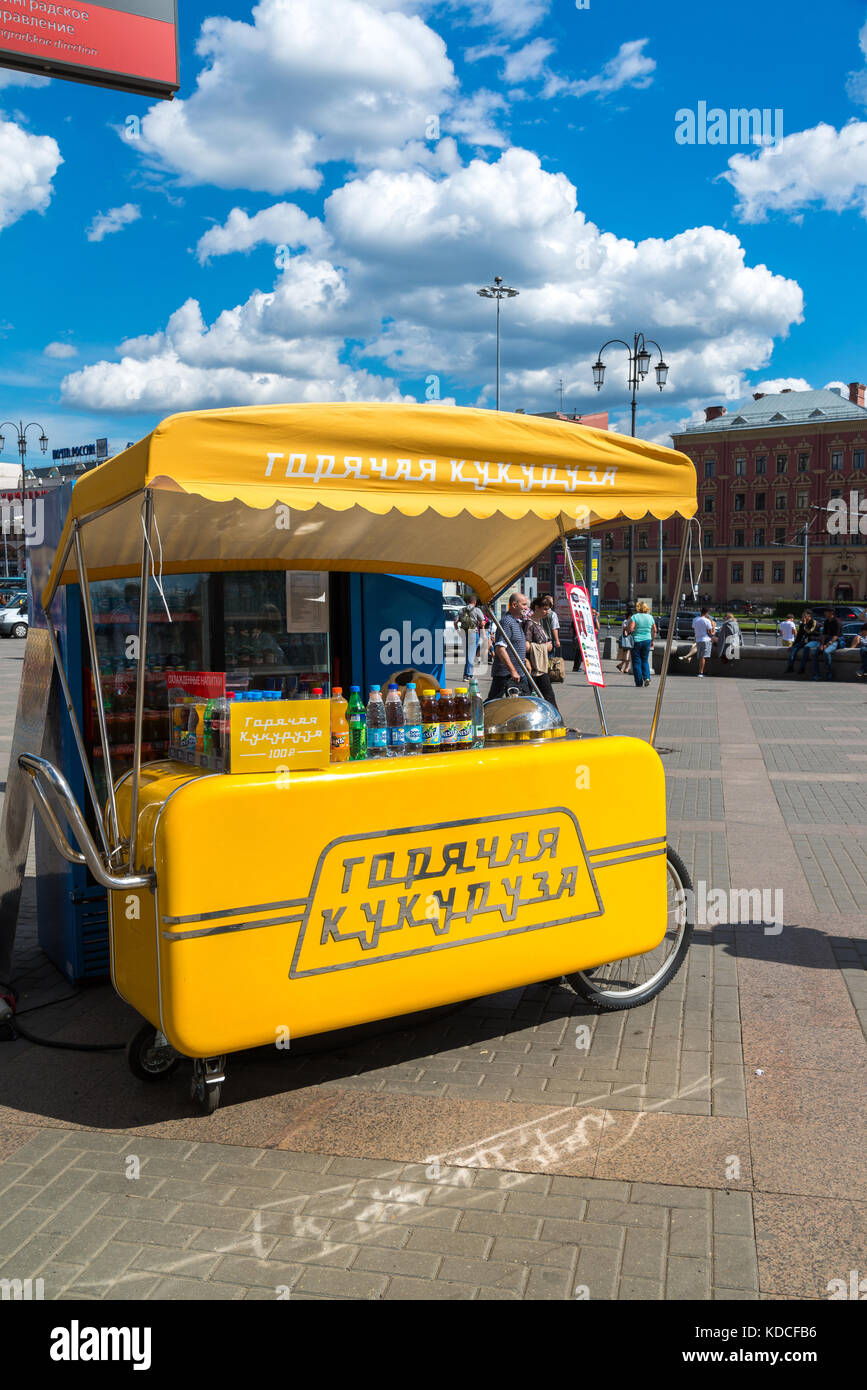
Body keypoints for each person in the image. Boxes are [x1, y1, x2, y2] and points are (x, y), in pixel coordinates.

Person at [488, 592, 533, 700]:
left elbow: (515, 646)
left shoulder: (516, 622)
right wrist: (512, 671)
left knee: (522, 702)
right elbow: (500, 648)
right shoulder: (507, 622)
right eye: (524, 604)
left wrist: (524, 660)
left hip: (518, 672)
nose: (526, 608)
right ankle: (481, 715)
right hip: (506, 674)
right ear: (514, 605)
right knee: (494, 701)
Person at [524, 597, 559, 709]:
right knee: (546, 696)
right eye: (544, 609)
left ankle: (557, 721)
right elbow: (526, 646)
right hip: (533, 667)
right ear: (536, 608)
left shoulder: (539, 623)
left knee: (547, 695)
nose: (547, 612)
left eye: (548, 609)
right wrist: (545, 647)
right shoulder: (529, 624)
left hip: (540, 666)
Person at [627, 600, 656, 687]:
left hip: (636, 641)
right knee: (645, 660)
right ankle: (647, 677)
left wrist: (629, 630)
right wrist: (652, 641)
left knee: (636, 661)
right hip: (647, 640)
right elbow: (655, 630)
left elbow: (631, 628)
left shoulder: (635, 617)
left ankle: (639, 682)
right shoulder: (650, 617)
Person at [456, 594, 484, 682]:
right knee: (471, 655)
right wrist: (480, 626)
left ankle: (467, 674)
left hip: (464, 633)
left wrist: (458, 631)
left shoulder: (461, 610)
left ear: (467, 602)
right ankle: (467, 676)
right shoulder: (477, 610)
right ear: (475, 602)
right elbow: (483, 622)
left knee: (468, 655)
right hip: (473, 632)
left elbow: (455, 622)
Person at [810, 609, 841, 680]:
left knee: (826, 652)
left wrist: (826, 645)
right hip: (827, 641)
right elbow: (824, 634)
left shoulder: (837, 622)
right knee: (814, 653)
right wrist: (822, 644)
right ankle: (816, 675)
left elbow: (836, 636)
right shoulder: (826, 621)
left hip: (835, 641)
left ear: (831, 613)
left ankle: (829, 673)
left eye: (826, 612)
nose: (824, 613)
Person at [572, 605, 600, 672]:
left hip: (589, 638)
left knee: (584, 653)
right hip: (582, 637)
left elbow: (598, 628)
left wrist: (596, 618)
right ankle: (577, 667)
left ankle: (579, 667)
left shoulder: (593, 619)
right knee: (580, 653)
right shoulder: (583, 618)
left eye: (594, 613)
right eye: (592, 612)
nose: (593, 614)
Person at [692, 607, 716, 678]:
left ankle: (701, 671)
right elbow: (711, 633)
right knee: (703, 657)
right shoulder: (707, 621)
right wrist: (714, 627)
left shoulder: (695, 619)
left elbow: (694, 628)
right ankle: (701, 672)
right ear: (706, 613)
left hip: (698, 640)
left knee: (700, 657)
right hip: (705, 640)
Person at [617, 605, 634, 674]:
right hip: (627, 640)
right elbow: (625, 630)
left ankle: (621, 665)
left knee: (628, 655)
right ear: (629, 615)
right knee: (628, 655)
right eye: (631, 615)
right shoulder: (626, 621)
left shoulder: (631, 621)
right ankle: (625, 668)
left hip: (630, 639)